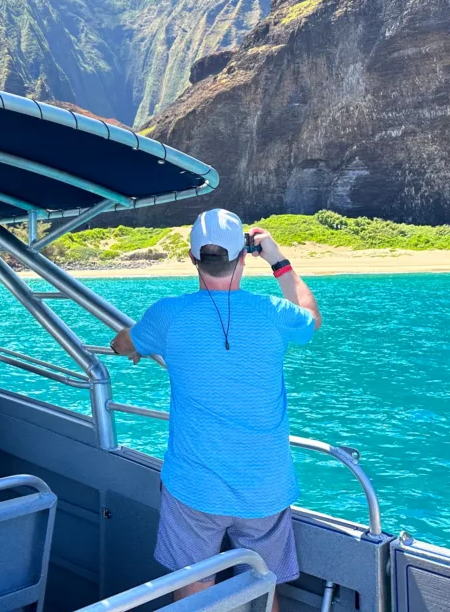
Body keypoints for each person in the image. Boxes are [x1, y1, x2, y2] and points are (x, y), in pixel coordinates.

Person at [109, 209, 322, 609]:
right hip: (265, 487)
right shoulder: (273, 314)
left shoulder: (166, 315)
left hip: (194, 487)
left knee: (192, 589)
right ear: (243, 255)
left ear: (192, 258)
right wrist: (278, 259)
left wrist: (136, 345)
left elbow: (123, 343)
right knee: (263, 589)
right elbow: (311, 318)